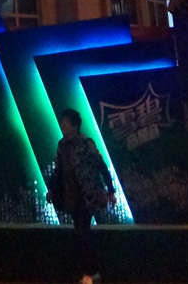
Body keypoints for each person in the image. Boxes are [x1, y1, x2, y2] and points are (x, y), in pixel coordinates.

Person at [47, 107, 112, 284]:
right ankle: (90, 272)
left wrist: (110, 190)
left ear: (75, 125)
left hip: (86, 196)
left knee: (82, 234)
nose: (62, 125)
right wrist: (52, 190)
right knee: (80, 234)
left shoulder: (86, 143)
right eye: (62, 122)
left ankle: (90, 274)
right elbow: (58, 171)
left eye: (66, 122)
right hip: (70, 196)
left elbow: (101, 165)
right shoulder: (61, 145)